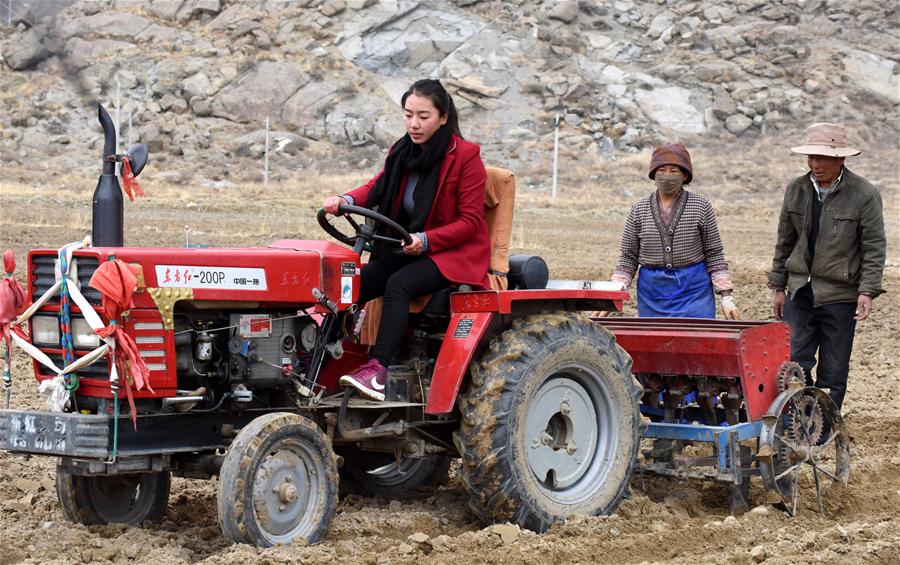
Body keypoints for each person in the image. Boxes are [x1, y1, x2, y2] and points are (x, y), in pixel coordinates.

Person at [322, 79, 489, 401]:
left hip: (451, 253)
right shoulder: (401, 152)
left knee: (398, 284)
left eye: (423, 116)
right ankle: (320, 353)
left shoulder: (466, 156)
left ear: (443, 117)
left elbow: (469, 223)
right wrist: (344, 199)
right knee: (351, 282)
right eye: (408, 114)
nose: (414, 123)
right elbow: (375, 188)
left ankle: (377, 370)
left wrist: (425, 240)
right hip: (405, 247)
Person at [768, 122, 885, 410]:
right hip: (800, 290)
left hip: (840, 294)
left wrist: (867, 291)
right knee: (793, 360)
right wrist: (778, 286)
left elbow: (873, 247)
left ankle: (826, 425)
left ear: (840, 158)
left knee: (833, 369)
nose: (815, 164)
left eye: (822, 158)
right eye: (811, 157)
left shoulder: (864, 194)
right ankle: (797, 419)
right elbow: (785, 240)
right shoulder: (797, 189)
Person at [611, 143, 741, 320]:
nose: (667, 176)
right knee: (655, 342)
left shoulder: (701, 206)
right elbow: (628, 257)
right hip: (652, 292)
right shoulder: (639, 210)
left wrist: (726, 298)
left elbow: (714, 254)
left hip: (694, 291)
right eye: (662, 170)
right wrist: (612, 294)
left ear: (685, 175)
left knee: (697, 340)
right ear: (653, 174)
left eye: (674, 171)